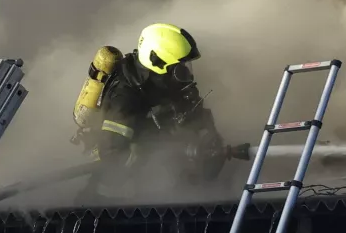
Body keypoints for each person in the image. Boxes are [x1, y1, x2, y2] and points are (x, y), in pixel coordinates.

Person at [73, 23, 237, 200]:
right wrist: (173, 149)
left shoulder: (170, 84)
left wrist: (210, 143)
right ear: (158, 62)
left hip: (163, 186)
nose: (187, 76)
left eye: (187, 67)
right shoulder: (124, 98)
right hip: (112, 199)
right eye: (180, 69)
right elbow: (113, 157)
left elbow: (199, 121)